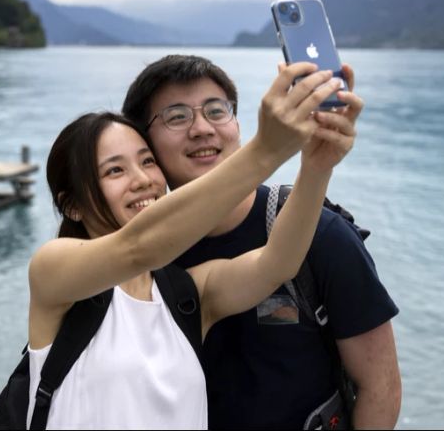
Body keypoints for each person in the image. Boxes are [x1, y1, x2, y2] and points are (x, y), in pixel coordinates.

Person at [23, 63, 357, 429]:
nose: (142, 180)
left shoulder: (184, 295)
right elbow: (138, 248)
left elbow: (277, 263)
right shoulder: (53, 273)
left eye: (148, 162)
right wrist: (267, 150)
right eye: (114, 171)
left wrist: (315, 165)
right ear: (70, 204)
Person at [122, 55, 401, 430]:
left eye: (216, 111)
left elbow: (380, 385)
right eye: (176, 116)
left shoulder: (321, 235)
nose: (202, 128)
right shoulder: (139, 254)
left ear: (237, 123)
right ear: (145, 143)